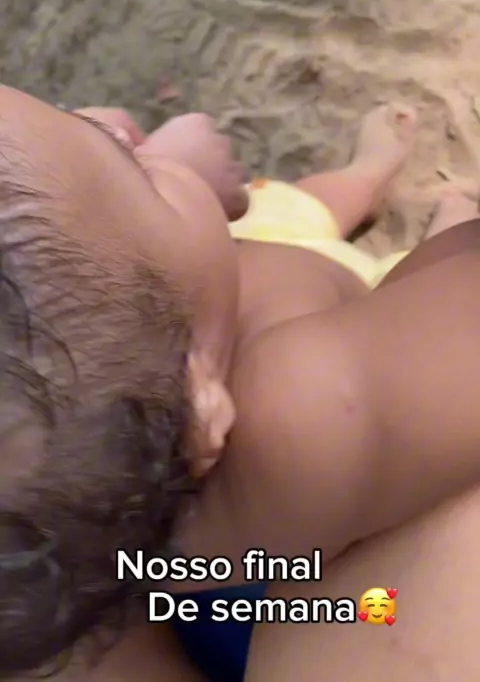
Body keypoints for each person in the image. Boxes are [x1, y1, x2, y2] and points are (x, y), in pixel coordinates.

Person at [0, 84, 480, 680]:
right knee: (328, 239)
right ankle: (416, 213)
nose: (106, 114)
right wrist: (158, 175)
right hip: (294, 593)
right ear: (201, 409)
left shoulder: (69, 541)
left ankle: (365, 175)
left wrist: (153, 181)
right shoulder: (301, 410)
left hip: (182, 594)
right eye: (123, 151)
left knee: (278, 220)